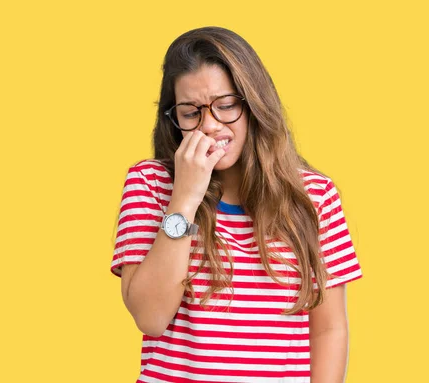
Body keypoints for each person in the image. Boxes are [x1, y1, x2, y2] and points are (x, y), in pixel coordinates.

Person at [110, 26, 363, 383]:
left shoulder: (315, 196)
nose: (209, 125)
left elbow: (329, 329)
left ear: (254, 104)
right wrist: (184, 197)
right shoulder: (150, 185)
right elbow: (150, 317)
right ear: (174, 119)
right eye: (190, 112)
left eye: (226, 106)